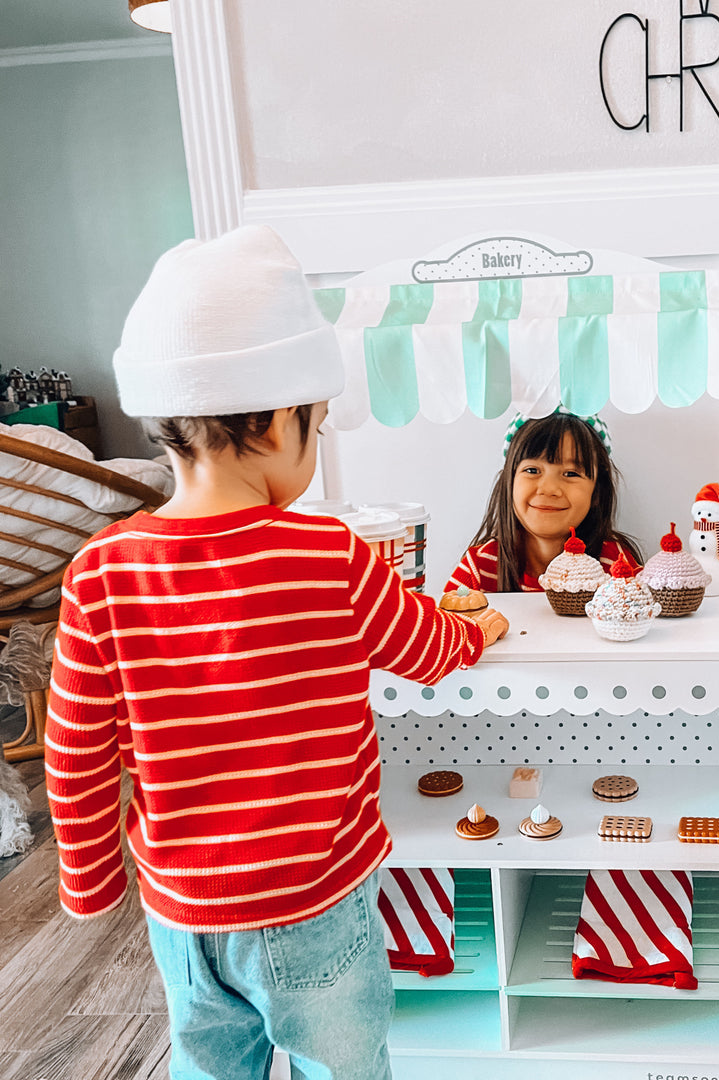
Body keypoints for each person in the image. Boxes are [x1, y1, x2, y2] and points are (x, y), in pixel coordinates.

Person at [45, 225, 507, 1080]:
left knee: (211, 1066)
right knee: (343, 1064)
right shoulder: (330, 556)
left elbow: (76, 755)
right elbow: (427, 647)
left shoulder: (100, 574)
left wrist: (91, 882)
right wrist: (483, 627)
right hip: (317, 906)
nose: (319, 442)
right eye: (319, 424)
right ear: (267, 422)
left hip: (181, 914)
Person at [446, 409, 641, 593]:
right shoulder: (479, 569)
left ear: (597, 492)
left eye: (571, 473)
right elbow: (443, 624)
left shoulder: (615, 565)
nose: (548, 489)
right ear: (509, 482)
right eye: (532, 470)